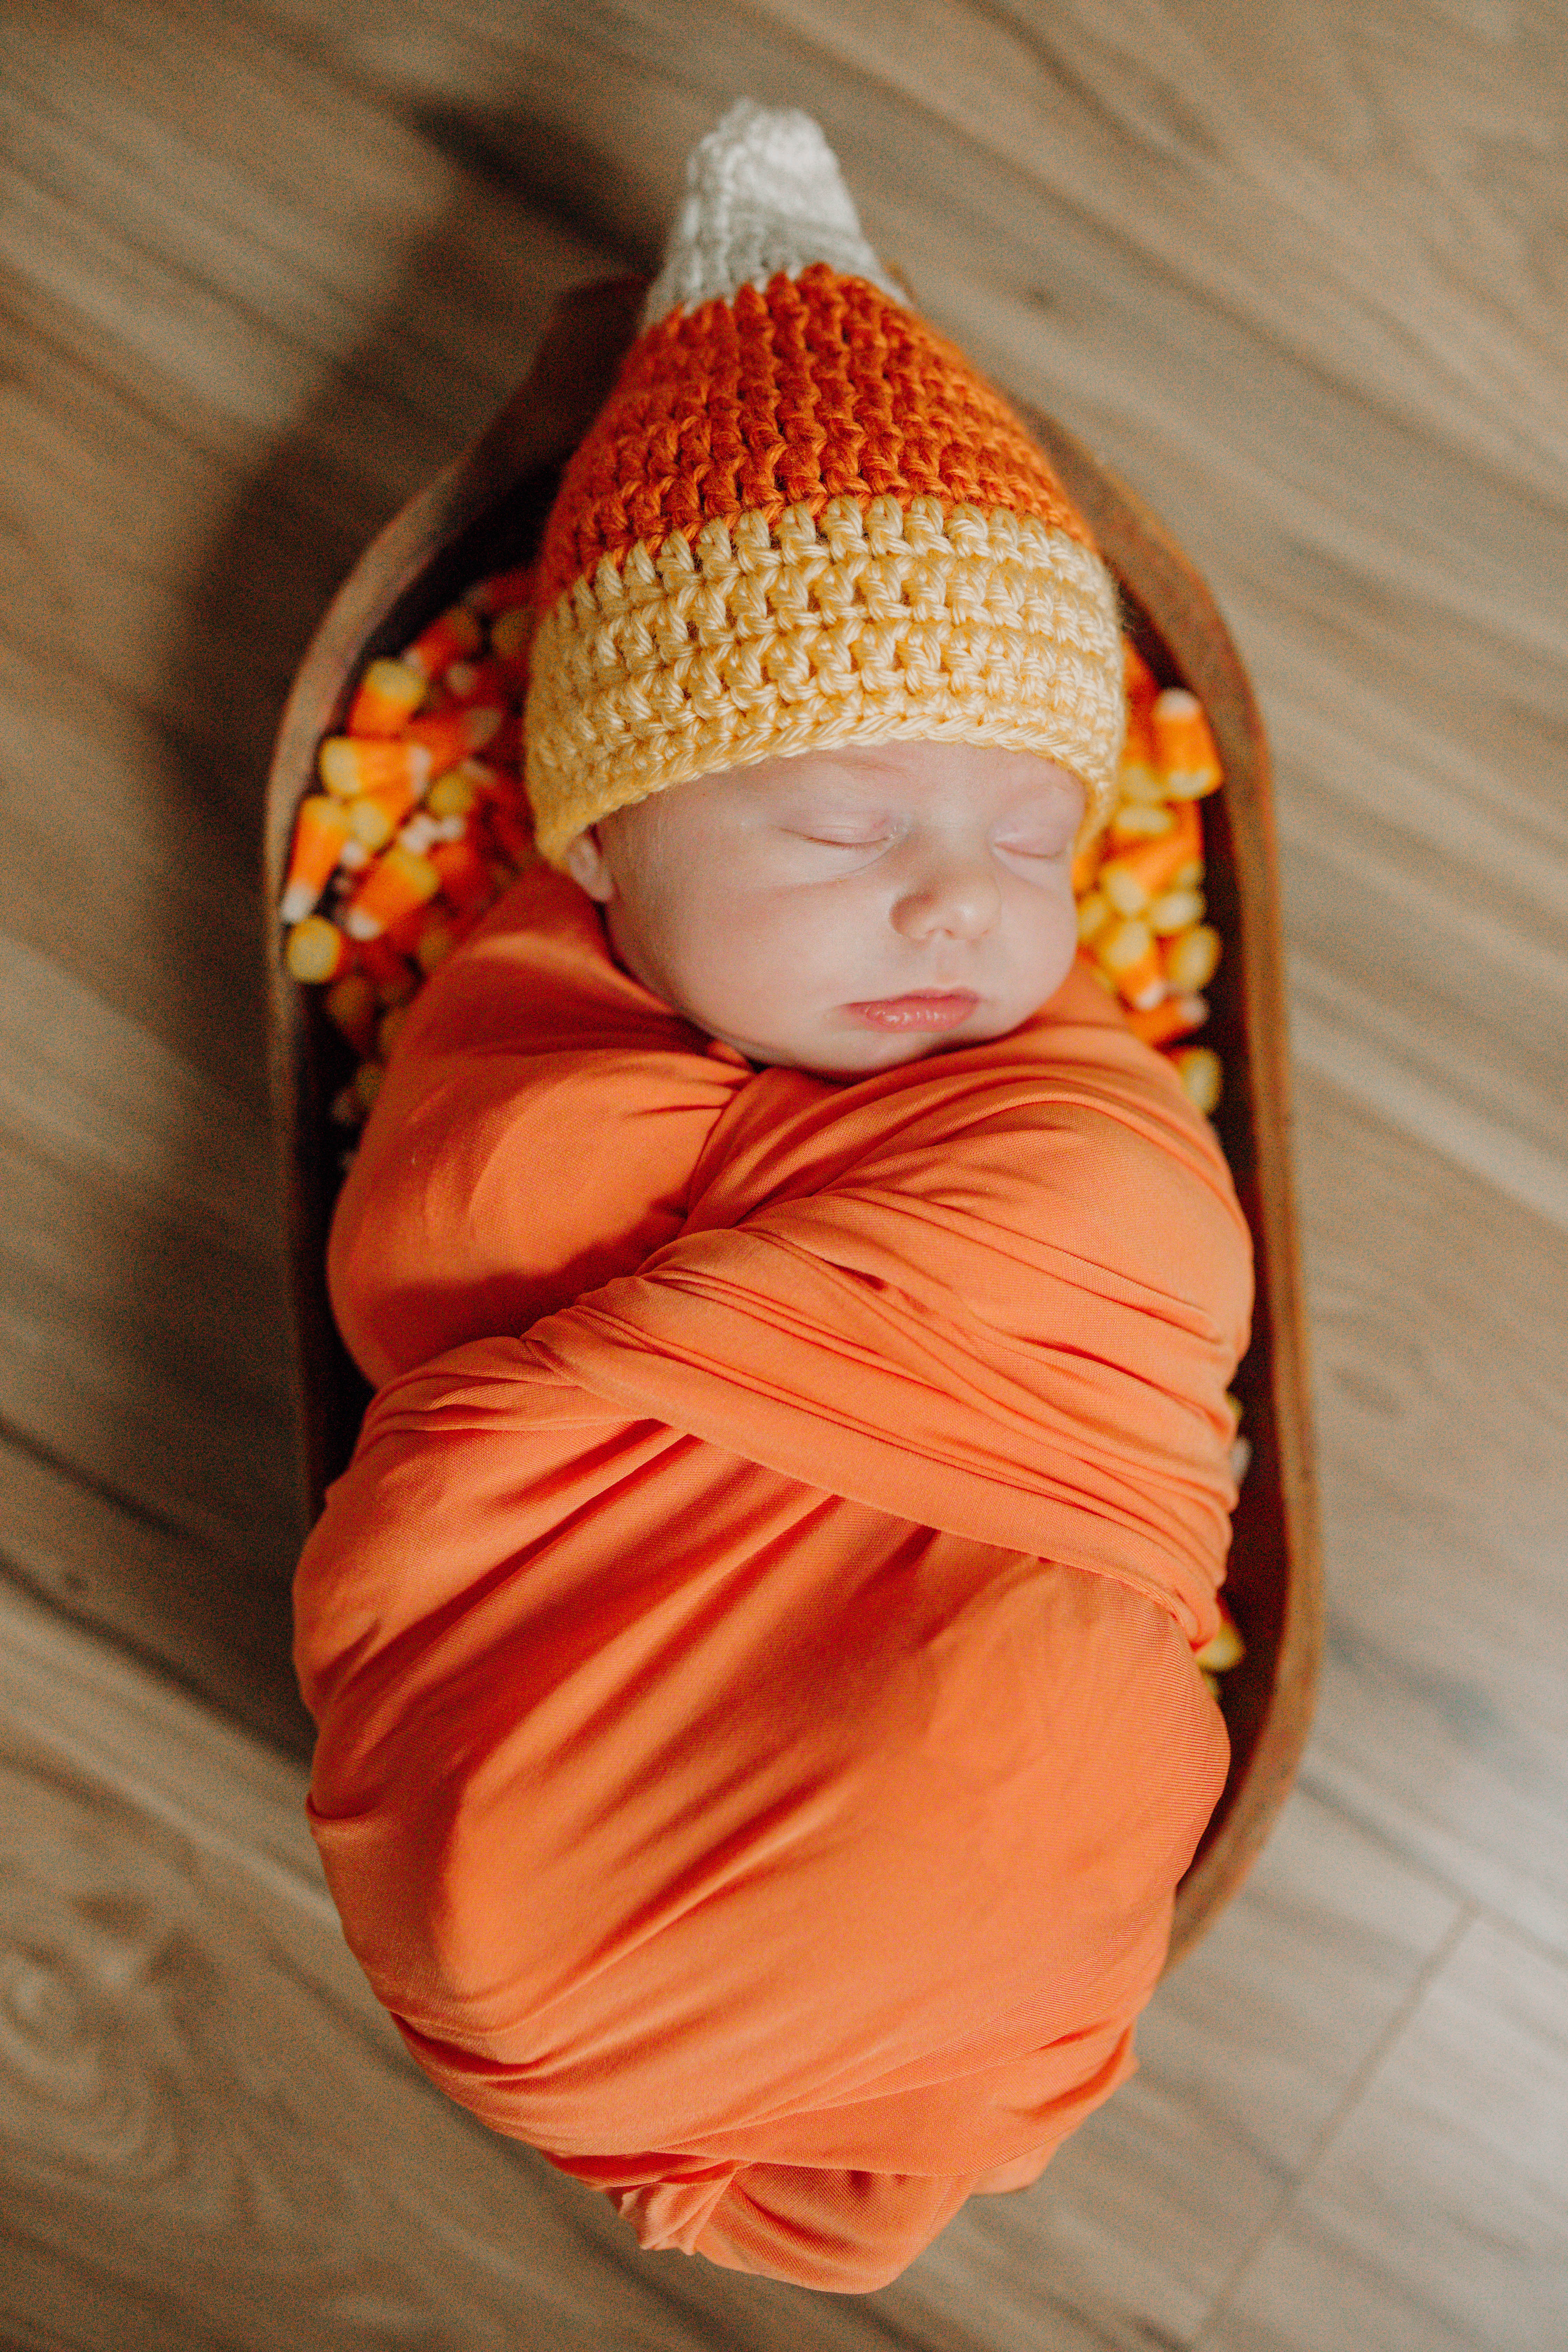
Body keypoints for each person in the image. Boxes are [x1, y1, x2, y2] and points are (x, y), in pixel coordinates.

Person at [293, 100, 1254, 2294]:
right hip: (589, 1790)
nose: (954, 907)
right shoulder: (532, 1059)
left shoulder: (1052, 1103)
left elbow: (1138, 1238)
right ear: (606, 849)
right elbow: (450, 1244)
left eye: (1032, 843)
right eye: (838, 834)